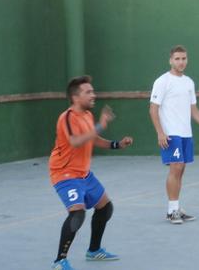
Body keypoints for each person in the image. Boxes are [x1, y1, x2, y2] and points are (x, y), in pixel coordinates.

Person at [49, 75, 133, 270]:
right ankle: (59, 261)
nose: (93, 95)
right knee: (77, 214)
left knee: (105, 207)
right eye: (88, 92)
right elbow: (75, 141)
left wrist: (116, 144)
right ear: (76, 97)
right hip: (65, 173)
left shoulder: (87, 115)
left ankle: (94, 251)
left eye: (93, 91)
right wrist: (100, 125)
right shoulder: (67, 117)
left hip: (84, 173)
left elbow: (92, 139)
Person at [149, 45, 199, 224]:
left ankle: (175, 209)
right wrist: (160, 132)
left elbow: (194, 110)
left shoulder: (189, 82)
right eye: (177, 59)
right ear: (170, 60)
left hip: (185, 134)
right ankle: (172, 211)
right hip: (170, 134)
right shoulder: (162, 81)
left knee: (181, 170)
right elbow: (153, 109)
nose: (181, 62)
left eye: (183, 59)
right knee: (176, 167)